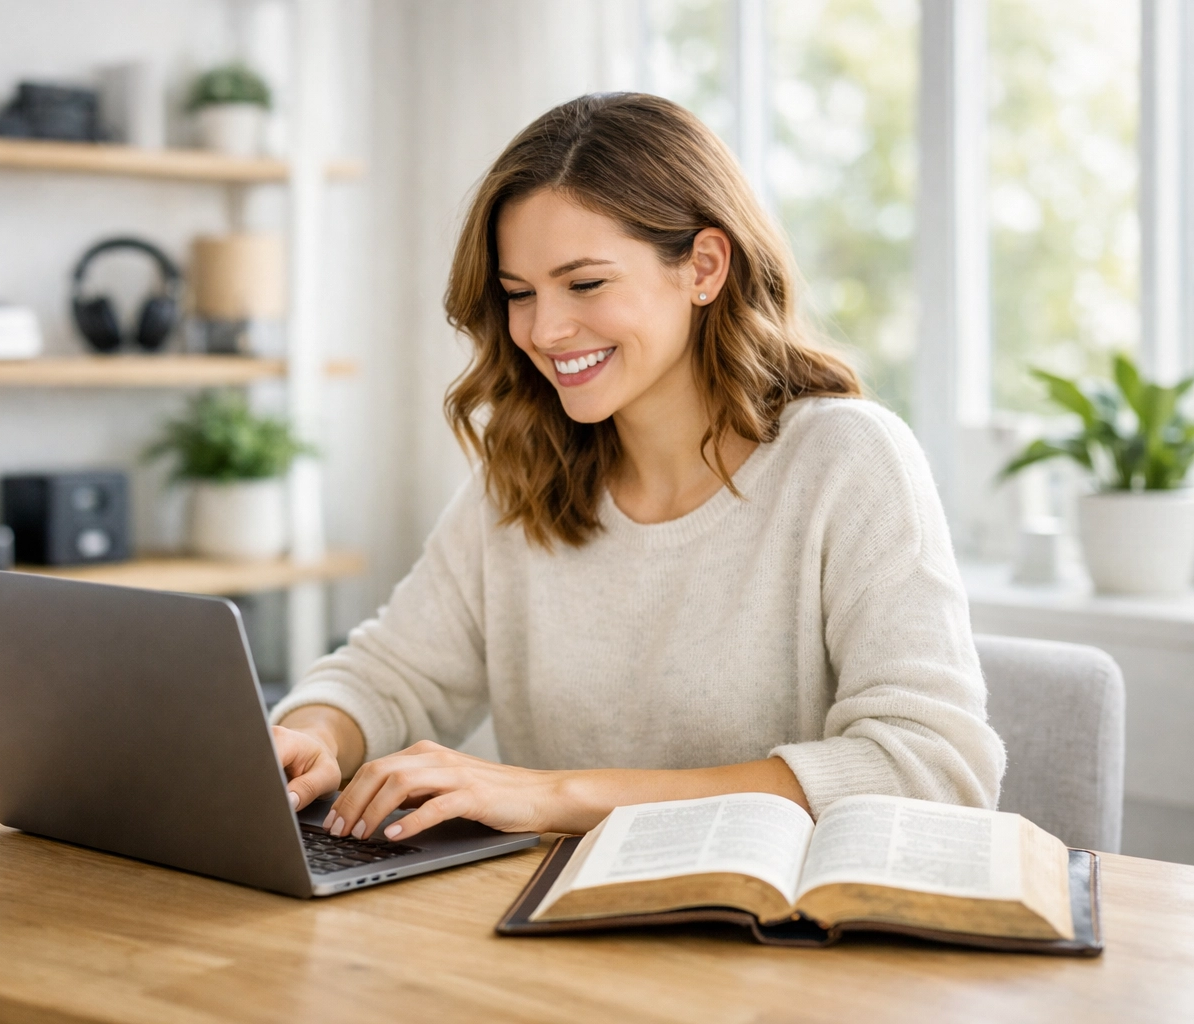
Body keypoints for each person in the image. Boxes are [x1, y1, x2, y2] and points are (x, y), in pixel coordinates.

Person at [270, 92, 1004, 846]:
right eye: (519, 294)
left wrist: (558, 796)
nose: (544, 330)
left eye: (585, 284)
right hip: (549, 931)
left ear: (704, 268)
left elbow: (929, 769)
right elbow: (391, 675)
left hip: (777, 944)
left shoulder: (846, 460)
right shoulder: (526, 471)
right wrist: (313, 735)